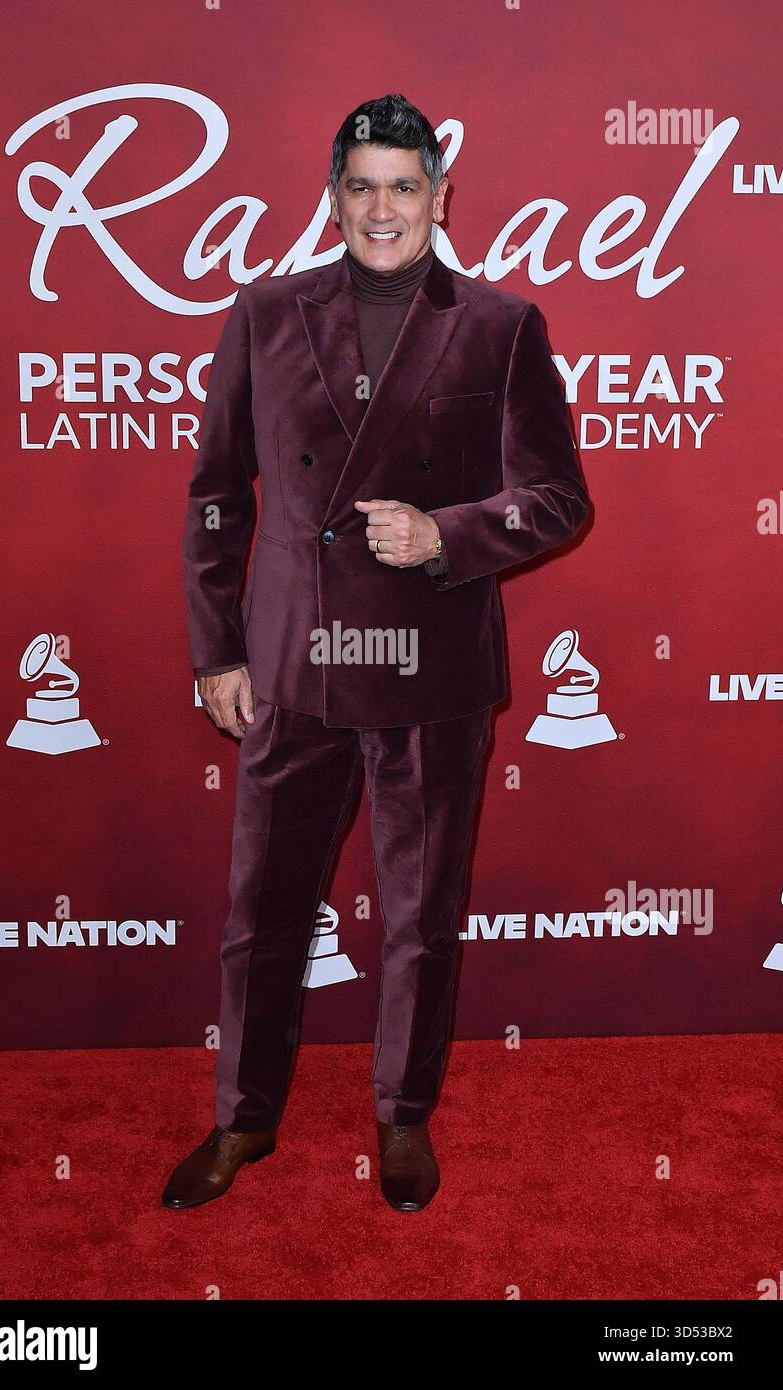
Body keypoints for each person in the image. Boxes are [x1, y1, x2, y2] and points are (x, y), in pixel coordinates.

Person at [162, 93, 590, 1213]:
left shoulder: (501, 325)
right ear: (333, 196)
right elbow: (216, 493)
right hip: (293, 668)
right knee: (262, 915)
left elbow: (559, 498)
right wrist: (219, 650)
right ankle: (243, 1120)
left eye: (407, 186)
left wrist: (449, 533)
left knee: (420, 913)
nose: (384, 207)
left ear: (441, 197)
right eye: (362, 186)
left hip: (431, 672)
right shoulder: (263, 313)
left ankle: (403, 1116)